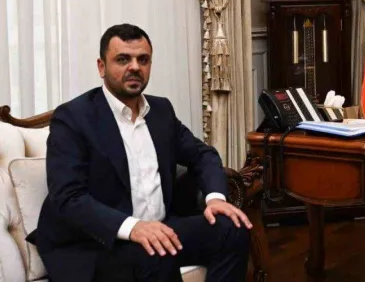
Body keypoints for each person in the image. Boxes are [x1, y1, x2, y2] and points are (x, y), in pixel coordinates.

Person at [29, 24, 251, 282]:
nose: (135, 67)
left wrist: (215, 199)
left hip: (158, 229)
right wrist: (134, 228)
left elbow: (203, 155)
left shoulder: (160, 111)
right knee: (157, 254)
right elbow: (68, 197)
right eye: (123, 59)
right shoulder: (73, 118)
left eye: (143, 60)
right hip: (97, 242)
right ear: (101, 67)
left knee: (232, 229)